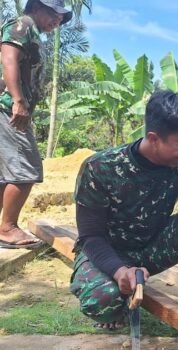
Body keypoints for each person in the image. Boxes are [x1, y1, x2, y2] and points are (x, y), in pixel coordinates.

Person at [70, 90, 178, 335]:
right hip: (107, 253)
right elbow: (91, 237)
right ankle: (117, 305)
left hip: (150, 250)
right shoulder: (100, 167)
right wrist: (120, 271)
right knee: (103, 302)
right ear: (154, 138)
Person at [0, 0, 72, 248]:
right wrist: (18, 101)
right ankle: (7, 228)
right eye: (54, 15)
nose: (57, 21)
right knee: (27, 169)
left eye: (60, 19)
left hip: (9, 108)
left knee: (7, 174)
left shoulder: (30, 30)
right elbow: (9, 58)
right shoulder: (23, 24)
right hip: (8, 107)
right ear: (37, 7)